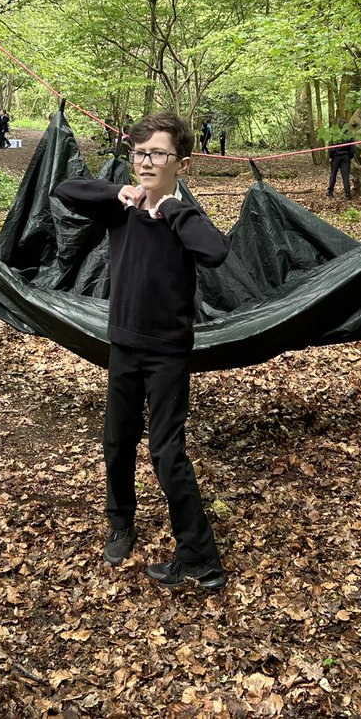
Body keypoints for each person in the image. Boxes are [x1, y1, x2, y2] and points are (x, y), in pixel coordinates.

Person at [53, 112, 230, 590]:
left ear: (182, 164)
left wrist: (170, 207)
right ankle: (121, 523)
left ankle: (200, 558)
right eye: (140, 153)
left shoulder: (183, 218)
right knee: (116, 440)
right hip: (124, 347)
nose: (147, 162)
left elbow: (214, 252)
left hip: (168, 352)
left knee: (167, 452)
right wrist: (118, 193)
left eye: (158, 154)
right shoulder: (122, 209)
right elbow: (67, 190)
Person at [326, 134, 356, 199]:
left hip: (336, 157)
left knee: (333, 174)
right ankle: (347, 193)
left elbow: (330, 148)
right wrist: (349, 156)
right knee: (345, 175)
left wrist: (331, 156)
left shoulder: (334, 133)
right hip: (345, 156)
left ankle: (330, 191)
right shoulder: (348, 134)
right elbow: (352, 148)